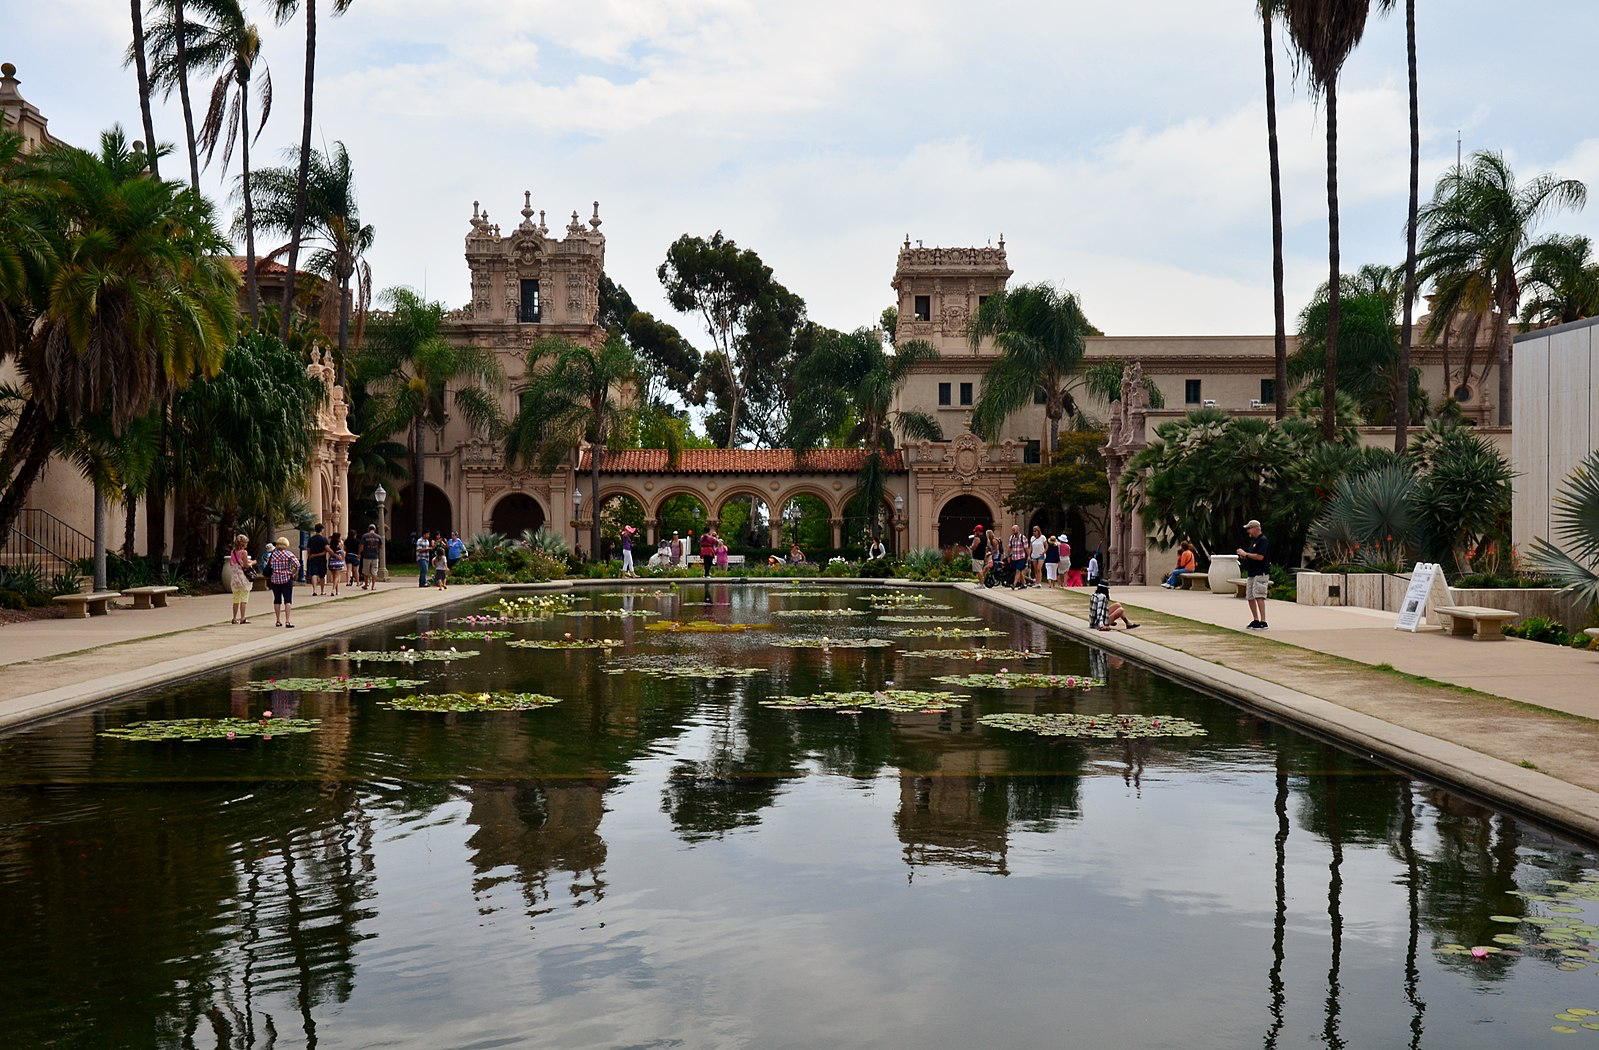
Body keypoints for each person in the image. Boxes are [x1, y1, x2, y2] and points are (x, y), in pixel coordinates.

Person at [1238, 518, 1271, 629]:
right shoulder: (1254, 542)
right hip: (1252, 573)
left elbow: (1260, 557)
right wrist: (1245, 556)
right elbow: (1251, 556)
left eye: (1249, 529)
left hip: (1260, 572)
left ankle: (1263, 621)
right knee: (1250, 596)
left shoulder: (1263, 540)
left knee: (1259, 596)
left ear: (1256, 528)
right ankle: (1255, 619)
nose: (1248, 531)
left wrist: (1246, 554)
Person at [265, 536, 301, 628]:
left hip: (275, 579)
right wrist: (293, 573)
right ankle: (287, 621)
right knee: (287, 600)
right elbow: (297, 564)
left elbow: (269, 566)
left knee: (277, 599)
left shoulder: (272, 555)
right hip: (286, 578)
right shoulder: (289, 554)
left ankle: (277, 620)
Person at [226, 534, 255, 625]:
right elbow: (246, 565)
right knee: (244, 598)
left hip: (235, 578)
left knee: (235, 599)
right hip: (243, 578)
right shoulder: (244, 552)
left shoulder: (233, 552)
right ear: (243, 543)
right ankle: (242, 618)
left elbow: (231, 564)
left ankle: (234, 618)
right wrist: (253, 562)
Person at [306, 523, 329, 596]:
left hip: (313, 559)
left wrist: (310, 556)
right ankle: (322, 590)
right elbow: (326, 550)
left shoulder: (311, 539)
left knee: (314, 574)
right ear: (322, 530)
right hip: (321, 559)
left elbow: (308, 549)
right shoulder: (324, 539)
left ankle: (314, 590)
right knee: (322, 575)